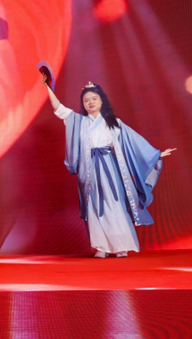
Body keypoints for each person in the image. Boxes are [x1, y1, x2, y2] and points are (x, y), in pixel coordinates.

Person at [44, 76, 174, 257]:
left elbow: (133, 142)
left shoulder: (113, 123)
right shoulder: (78, 122)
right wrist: (47, 86)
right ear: (83, 103)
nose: (90, 102)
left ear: (101, 101)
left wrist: (155, 154)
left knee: (115, 203)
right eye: (86, 100)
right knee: (94, 205)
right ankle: (101, 247)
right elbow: (58, 108)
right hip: (89, 169)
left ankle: (121, 246)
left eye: (94, 98)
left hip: (109, 167)